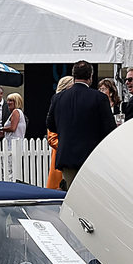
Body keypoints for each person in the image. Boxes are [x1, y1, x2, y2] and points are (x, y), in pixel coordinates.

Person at [45, 60, 116, 191]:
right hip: (92, 158)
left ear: (74, 76)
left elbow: (50, 124)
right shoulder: (99, 98)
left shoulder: (58, 98)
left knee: (71, 194)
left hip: (67, 158)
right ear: (90, 77)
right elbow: (109, 129)